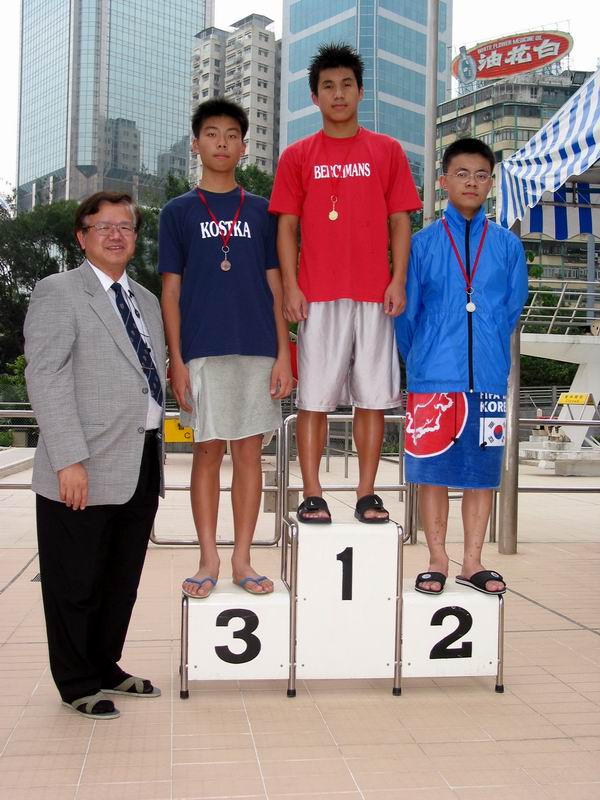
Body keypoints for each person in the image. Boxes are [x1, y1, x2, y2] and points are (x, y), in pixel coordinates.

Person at [24, 192, 166, 720]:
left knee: (119, 580)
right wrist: (68, 459)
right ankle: (77, 681)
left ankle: (106, 666)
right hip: (81, 464)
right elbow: (46, 376)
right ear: (81, 237)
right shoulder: (58, 291)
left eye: (125, 226)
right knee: (75, 580)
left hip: (141, 459)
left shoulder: (146, 300)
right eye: (103, 226)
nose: (115, 234)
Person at [269, 43, 421, 524]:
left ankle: (366, 492)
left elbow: (401, 221)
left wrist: (398, 279)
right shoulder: (297, 155)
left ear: (360, 91)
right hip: (317, 294)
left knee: (373, 398)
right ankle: (311, 492)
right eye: (328, 86)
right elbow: (287, 226)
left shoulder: (387, 150)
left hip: (375, 294)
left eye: (347, 85)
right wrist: (291, 287)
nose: (338, 94)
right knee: (313, 398)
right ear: (315, 96)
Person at [159, 98, 293, 599]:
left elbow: (277, 285)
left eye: (231, 135)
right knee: (207, 451)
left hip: (257, 347)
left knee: (249, 453)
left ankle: (242, 558)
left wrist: (284, 353)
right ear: (196, 144)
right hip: (201, 351)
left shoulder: (262, 210)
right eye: (212, 134)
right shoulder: (177, 212)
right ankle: (208, 558)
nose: (222, 142)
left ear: (243, 146)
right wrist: (176, 359)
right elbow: (171, 290)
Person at [395, 138, 529, 596]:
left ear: (491, 184)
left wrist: (488, 348)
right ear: (443, 181)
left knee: (481, 475)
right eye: (462, 174)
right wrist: (422, 359)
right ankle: (437, 558)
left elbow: (510, 309)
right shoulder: (422, 244)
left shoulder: (507, 246)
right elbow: (406, 316)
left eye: (481, 175)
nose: (472, 182)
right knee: (432, 473)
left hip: (487, 379)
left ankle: (473, 561)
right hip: (433, 376)